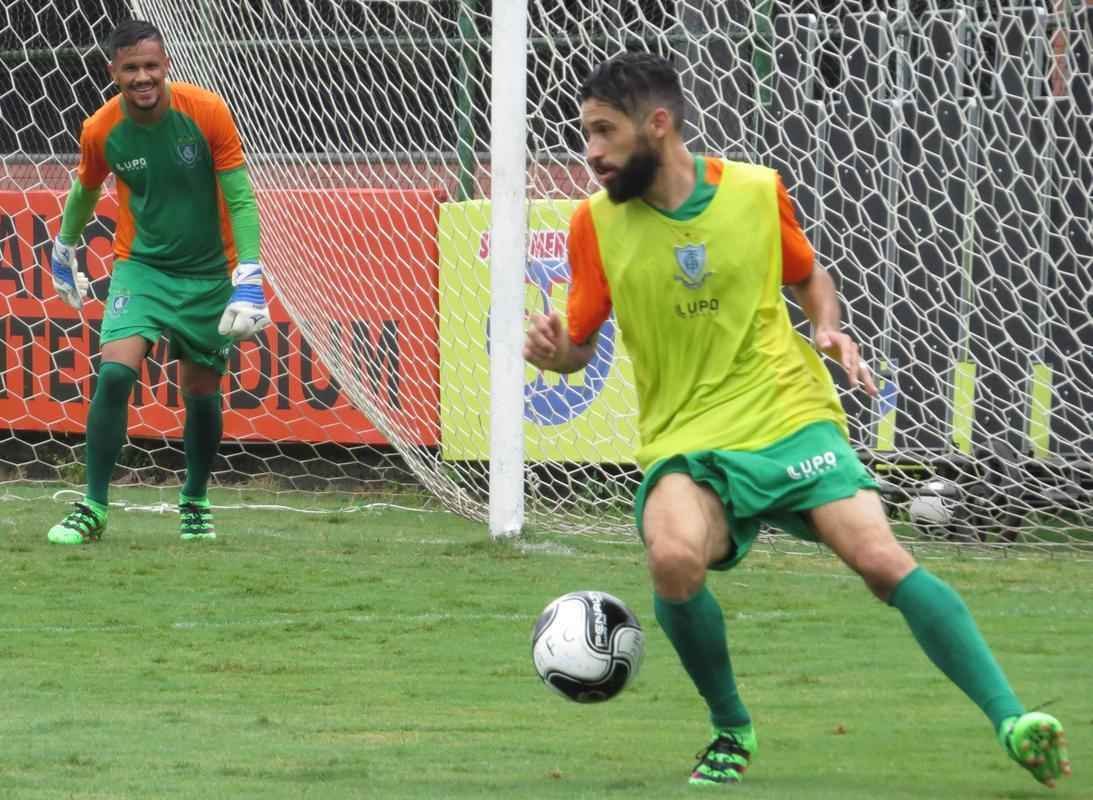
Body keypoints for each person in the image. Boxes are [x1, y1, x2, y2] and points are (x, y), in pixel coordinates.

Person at [523, 51, 1070, 789]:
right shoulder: (593, 225)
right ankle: (730, 729)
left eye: (603, 131)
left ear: (658, 124)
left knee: (881, 561)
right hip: (687, 435)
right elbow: (580, 347)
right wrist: (554, 352)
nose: (589, 152)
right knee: (673, 556)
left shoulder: (753, 192)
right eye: (583, 133)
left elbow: (806, 271)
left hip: (787, 413)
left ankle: (1012, 721)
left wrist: (828, 327)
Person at [47, 19, 271, 545]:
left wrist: (250, 271)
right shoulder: (101, 129)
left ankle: (193, 498)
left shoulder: (208, 112)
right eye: (131, 69)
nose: (142, 77)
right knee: (116, 373)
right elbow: (85, 188)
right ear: (113, 72)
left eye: (151, 66)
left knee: (200, 389)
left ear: (165, 65)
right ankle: (94, 506)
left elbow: (239, 196)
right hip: (141, 267)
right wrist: (64, 245)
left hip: (209, 272)